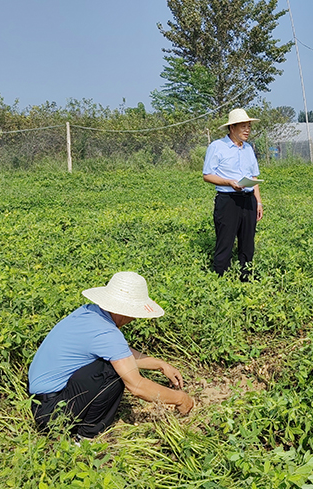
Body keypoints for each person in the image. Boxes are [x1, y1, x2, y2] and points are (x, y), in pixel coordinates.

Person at [28, 272, 194, 438]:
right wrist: (180, 399)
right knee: (112, 371)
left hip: (38, 402)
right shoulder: (107, 333)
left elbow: (120, 353)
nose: (134, 319)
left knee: (112, 363)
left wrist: (160, 364)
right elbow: (137, 386)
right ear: (125, 312)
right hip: (53, 413)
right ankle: (86, 436)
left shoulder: (88, 313)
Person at [203, 108, 263, 281]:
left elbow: (254, 176)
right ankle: (220, 279)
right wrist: (229, 182)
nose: (247, 130)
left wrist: (258, 202)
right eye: (243, 126)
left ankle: (246, 278)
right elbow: (207, 175)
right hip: (228, 200)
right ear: (232, 128)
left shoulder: (248, 149)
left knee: (247, 242)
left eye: (249, 126)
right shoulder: (217, 147)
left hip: (248, 200)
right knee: (225, 242)